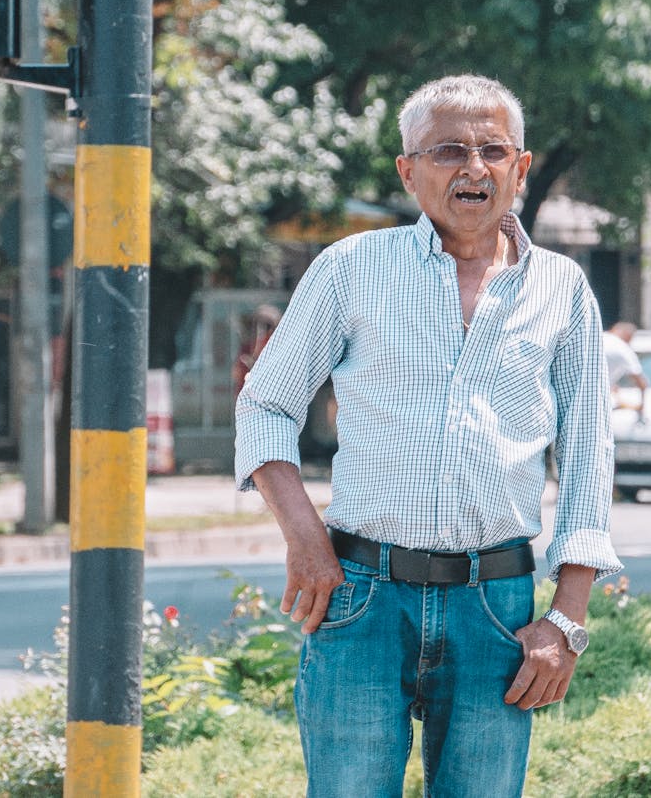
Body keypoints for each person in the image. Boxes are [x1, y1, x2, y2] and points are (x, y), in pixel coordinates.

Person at [235, 74, 622, 797]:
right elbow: (265, 407)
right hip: (359, 600)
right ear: (409, 171)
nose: (473, 168)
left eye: (492, 150)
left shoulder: (563, 289)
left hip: (495, 608)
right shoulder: (352, 270)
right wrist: (305, 538)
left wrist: (566, 618)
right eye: (448, 151)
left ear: (521, 168)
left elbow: (589, 453)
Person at [601, 321, 648, 417]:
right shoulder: (623, 349)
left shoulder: (598, 338)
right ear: (629, 337)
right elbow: (640, 381)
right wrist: (642, 405)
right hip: (598, 400)